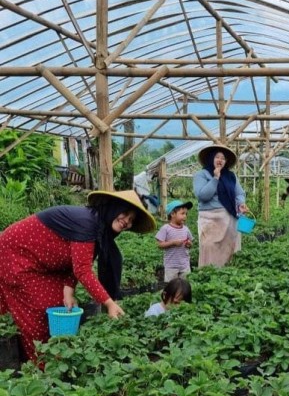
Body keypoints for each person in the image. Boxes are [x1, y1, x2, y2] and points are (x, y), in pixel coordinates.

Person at [0, 190, 156, 361]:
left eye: (132, 220)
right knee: (39, 314)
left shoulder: (99, 228)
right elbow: (82, 270)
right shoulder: (87, 222)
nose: (127, 221)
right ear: (113, 208)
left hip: (45, 266)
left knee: (57, 306)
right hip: (16, 255)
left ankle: (51, 357)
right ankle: (39, 368)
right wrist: (109, 303)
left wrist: (69, 290)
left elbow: (79, 261)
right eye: (125, 213)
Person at [193, 143, 250, 268]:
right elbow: (203, 195)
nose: (220, 160)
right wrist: (215, 178)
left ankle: (226, 277)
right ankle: (208, 276)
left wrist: (240, 204)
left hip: (230, 219)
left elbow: (239, 193)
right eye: (217, 157)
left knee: (228, 250)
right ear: (211, 158)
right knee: (209, 247)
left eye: (223, 158)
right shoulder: (201, 175)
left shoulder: (231, 176)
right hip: (210, 220)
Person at [156, 199, 193, 282]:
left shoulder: (186, 229)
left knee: (185, 287)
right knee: (171, 288)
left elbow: (191, 244)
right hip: (171, 266)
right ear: (172, 214)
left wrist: (189, 244)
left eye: (186, 214)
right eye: (182, 213)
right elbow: (160, 245)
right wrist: (173, 243)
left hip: (185, 265)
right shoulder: (166, 228)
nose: (185, 216)